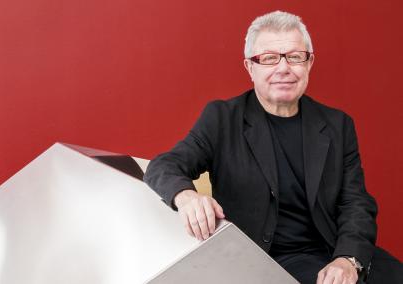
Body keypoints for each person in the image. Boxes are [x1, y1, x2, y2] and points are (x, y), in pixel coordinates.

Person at [143, 11, 402, 284]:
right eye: (268, 59)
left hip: (336, 250)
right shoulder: (222, 118)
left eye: (295, 57)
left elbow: (356, 203)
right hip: (267, 259)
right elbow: (164, 166)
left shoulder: (338, 124)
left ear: (309, 62)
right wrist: (186, 196)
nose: (283, 69)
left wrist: (348, 259)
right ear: (249, 67)